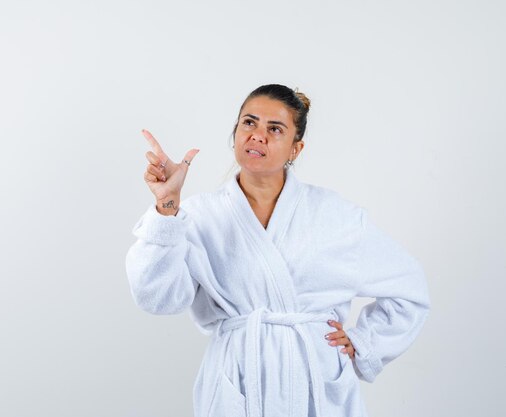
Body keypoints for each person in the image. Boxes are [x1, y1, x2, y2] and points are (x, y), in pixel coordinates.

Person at [125, 84, 431, 417]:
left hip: (318, 383)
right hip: (238, 380)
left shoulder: (335, 215)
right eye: (249, 123)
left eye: (275, 129)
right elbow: (157, 298)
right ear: (235, 133)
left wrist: (364, 342)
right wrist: (167, 205)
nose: (258, 136)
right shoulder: (201, 216)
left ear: (295, 149)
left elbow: (409, 288)